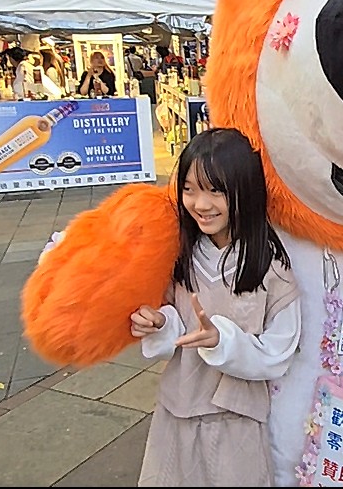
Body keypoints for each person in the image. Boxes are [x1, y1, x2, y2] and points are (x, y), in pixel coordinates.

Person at [130, 128, 300, 486]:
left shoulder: (271, 268)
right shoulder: (180, 256)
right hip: (178, 409)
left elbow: (279, 351)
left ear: (244, 190)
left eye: (215, 190)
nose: (200, 204)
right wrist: (160, 323)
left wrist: (222, 341)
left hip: (237, 419)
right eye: (189, 189)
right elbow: (175, 320)